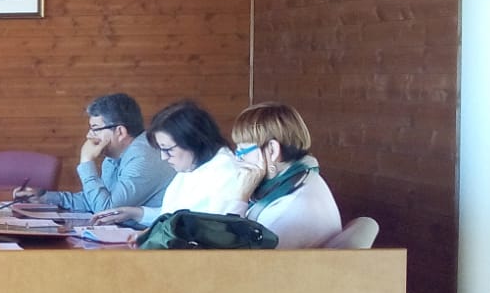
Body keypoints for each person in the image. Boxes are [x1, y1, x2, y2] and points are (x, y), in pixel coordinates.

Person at [93, 99, 248, 227]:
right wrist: (134, 213)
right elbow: (172, 214)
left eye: (167, 150)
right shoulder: (192, 165)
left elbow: (207, 230)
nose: (163, 157)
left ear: (192, 141)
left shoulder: (225, 172)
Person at [16, 92, 174, 213]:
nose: (89, 136)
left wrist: (86, 162)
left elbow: (106, 210)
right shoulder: (114, 156)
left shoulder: (143, 157)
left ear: (120, 132)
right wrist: (43, 198)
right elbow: (94, 201)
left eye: (96, 129)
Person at [229, 102, 343, 248]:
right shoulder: (305, 178)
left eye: (242, 151)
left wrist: (240, 198)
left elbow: (230, 253)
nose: (238, 159)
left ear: (272, 150)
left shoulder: (289, 210)